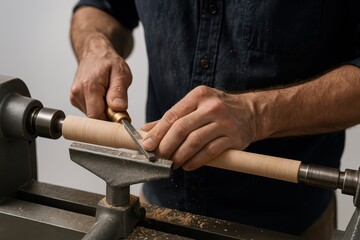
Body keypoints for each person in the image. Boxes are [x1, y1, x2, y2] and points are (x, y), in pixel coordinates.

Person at [69, 1, 360, 239]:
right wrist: (94, 44)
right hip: (157, 210)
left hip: (286, 223)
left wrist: (257, 114)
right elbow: (102, 8)